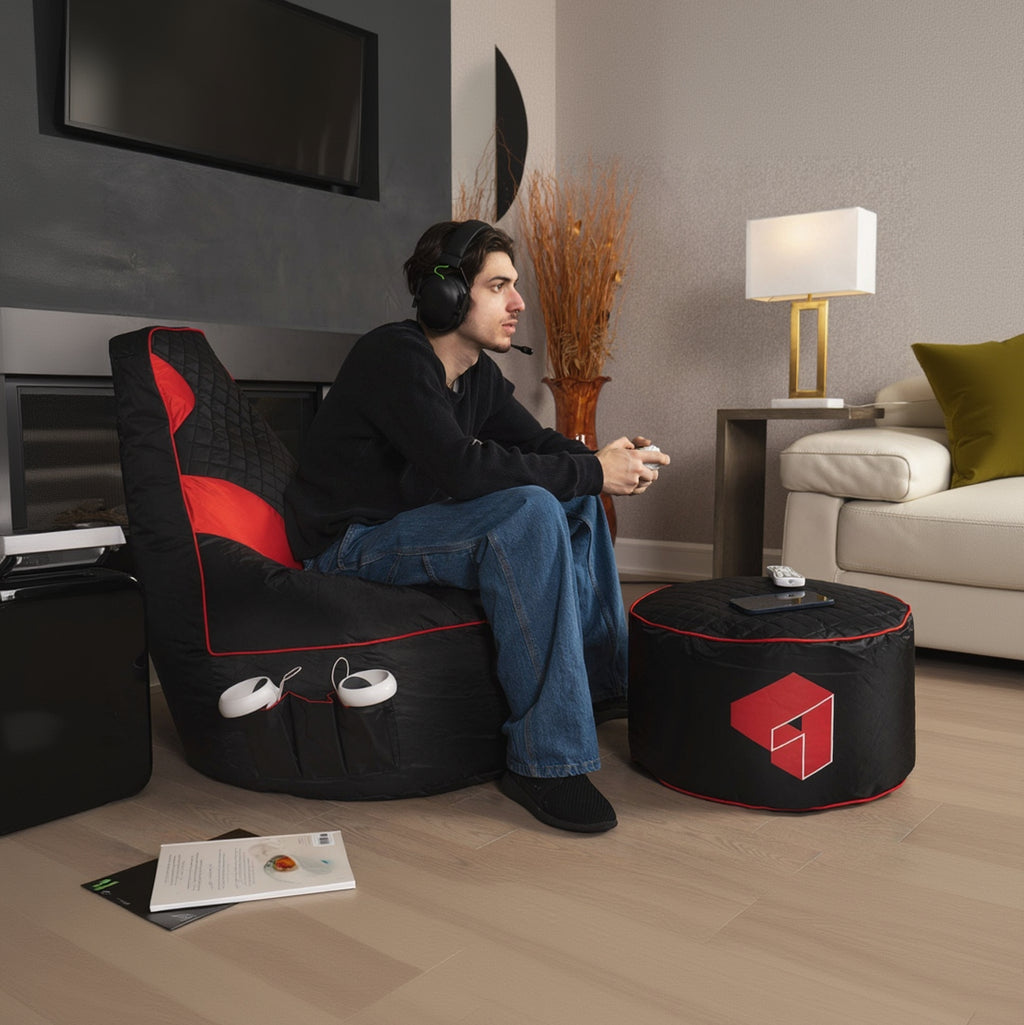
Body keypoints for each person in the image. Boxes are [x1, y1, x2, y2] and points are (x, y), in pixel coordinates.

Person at [284, 219, 670, 833]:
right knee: (535, 505)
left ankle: (600, 685)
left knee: (573, 496)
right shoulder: (394, 356)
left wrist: (608, 459)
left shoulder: (476, 375)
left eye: (513, 287)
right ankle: (546, 762)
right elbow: (462, 469)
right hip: (348, 544)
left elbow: (539, 443)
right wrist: (591, 471)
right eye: (499, 286)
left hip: (414, 527)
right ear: (448, 294)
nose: (518, 303)